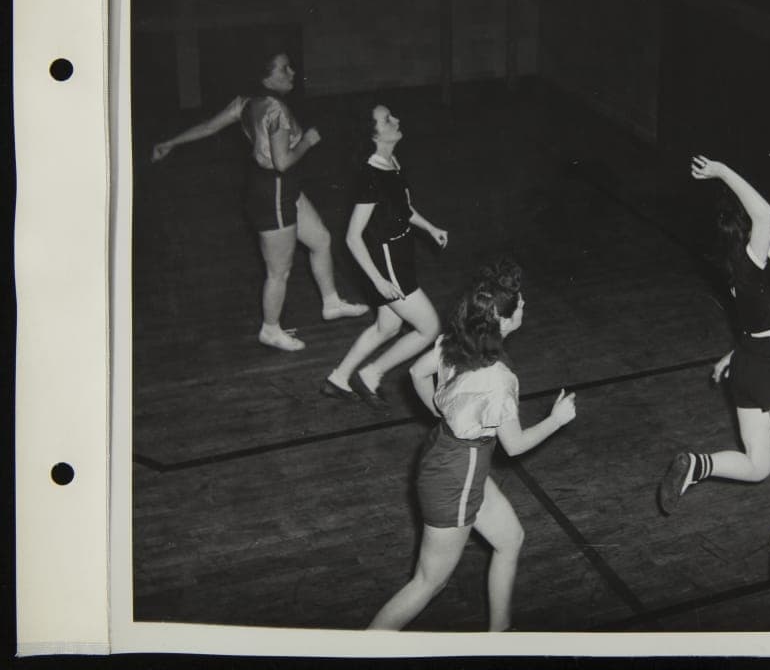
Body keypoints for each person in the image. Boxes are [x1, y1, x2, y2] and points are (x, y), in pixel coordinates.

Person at [369, 260, 577, 631]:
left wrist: (441, 410)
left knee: (510, 539)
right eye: (520, 304)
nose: (524, 304)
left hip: (452, 456)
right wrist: (556, 420)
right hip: (458, 475)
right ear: (504, 321)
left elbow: (417, 372)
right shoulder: (498, 380)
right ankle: (362, 650)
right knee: (429, 582)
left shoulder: (458, 340)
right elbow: (514, 446)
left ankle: (499, 633)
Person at [658, 156, 770, 576]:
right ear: (748, 233)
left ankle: (699, 465)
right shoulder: (752, 261)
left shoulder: (751, 270)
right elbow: (763, 211)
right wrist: (721, 171)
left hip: (748, 361)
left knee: (758, 465)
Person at [150, 52, 369, 350]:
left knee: (320, 239)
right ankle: (270, 329)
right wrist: (308, 141)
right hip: (274, 191)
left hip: (279, 188)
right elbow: (283, 162)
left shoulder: (245, 102)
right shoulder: (275, 109)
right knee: (279, 271)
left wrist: (170, 142)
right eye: (284, 69)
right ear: (266, 77)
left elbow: (209, 127)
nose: (292, 73)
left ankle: (331, 303)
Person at [320, 105, 448, 409]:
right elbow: (352, 237)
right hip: (386, 263)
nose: (396, 120)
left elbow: (402, 208)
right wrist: (378, 281)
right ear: (374, 135)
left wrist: (430, 227)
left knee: (387, 327)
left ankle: (338, 378)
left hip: (398, 254)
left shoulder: (391, 162)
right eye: (387, 119)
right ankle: (371, 375)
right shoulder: (371, 176)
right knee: (429, 328)